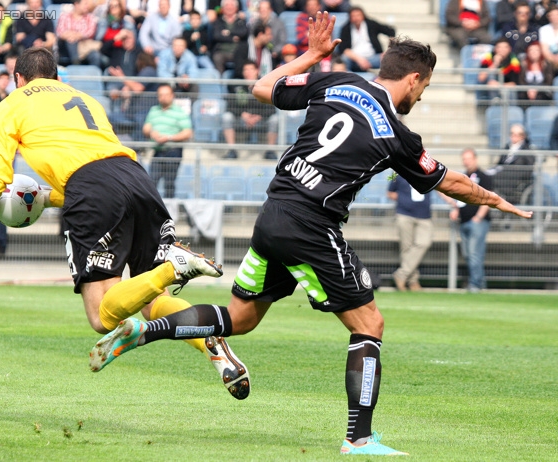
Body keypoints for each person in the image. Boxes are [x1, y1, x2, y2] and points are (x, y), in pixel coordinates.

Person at [88, 12, 531, 456]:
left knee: (239, 319)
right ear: (414, 79)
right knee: (369, 325)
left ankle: (146, 331)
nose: (421, 93)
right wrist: (493, 199)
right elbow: (449, 182)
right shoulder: (397, 134)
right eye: (426, 86)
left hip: (273, 213)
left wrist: (313, 55)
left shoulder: (338, 81)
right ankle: (358, 438)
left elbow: (263, 87)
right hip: (312, 226)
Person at [0, 47, 251, 400]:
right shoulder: (85, 98)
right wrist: (47, 198)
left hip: (92, 189)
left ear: (18, 79)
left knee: (101, 315)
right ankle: (214, 347)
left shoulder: (11, 104)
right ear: (57, 77)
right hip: (137, 178)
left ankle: (173, 267)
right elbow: (96, 163)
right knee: (154, 304)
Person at [448, 149, 494, 293]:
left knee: (474, 253)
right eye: (464, 159)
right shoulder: (463, 177)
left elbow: (489, 199)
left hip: (477, 221)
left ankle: (475, 284)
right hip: (464, 221)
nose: (466, 161)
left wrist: (478, 217)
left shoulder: (484, 177)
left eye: (469, 158)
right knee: (469, 255)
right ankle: (480, 283)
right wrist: (455, 208)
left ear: (475, 159)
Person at [142, 84, 192, 198]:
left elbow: (187, 133)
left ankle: (169, 212)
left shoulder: (179, 112)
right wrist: (151, 133)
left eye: (166, 94)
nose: (163, 97)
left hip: (173, 151)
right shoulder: (154, 110)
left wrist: (169, 138)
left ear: (172, 96)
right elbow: (146, 128)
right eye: (160, 95)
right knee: (151, 182)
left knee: (169, 183)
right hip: (158, 150)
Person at [222, 60, 278, 160]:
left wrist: (259, 116)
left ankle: (270, 151)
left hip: (261, 119)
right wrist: (243, 114)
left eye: (251, 69)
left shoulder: (265, 85)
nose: (248, 72)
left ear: (257, 71)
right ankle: (231, 150)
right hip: (241, 119)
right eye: (245, 70)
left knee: (275, 119)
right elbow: (229, 104)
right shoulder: (236, 85)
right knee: (226, 117)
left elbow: (272, 107)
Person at [387, 174, 433, 292]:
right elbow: (390, 192)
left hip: (424, 215)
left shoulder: (428, 171)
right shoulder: (396, 173)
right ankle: (412, 281)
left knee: (424, 243)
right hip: (404, 214)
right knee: (406, 248)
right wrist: (403, 198)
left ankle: (401, 275)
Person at [337, 6, 396, 73]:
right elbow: (344, 49)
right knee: (344, 59)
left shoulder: (371, 24)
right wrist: (360, 60)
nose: (356, 18)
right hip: (354, 59)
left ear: (363, 16)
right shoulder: (346, 29)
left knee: (389, 58)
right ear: (350, 17)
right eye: (353, 16)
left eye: (358, 15)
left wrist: (390, 49)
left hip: (372, 58)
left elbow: (390, 31)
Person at [489, 123, 535, 204]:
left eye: (517, 135)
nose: (514, 136)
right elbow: (500, 162)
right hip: (503, 174)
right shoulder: (507, 147)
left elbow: (529, 167)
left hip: (515, 178)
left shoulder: (527, 149)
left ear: (523, 136)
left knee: (493, 178)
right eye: (512, 134)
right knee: (485, 175)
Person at [56, 0, 101, 67]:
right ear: (77, 4)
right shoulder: (64, 16)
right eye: (85, 4)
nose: (87, 6)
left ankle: (94, 76)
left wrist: (75, 35)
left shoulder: (90, 17)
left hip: (84, 47)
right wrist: (73, 36)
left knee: (95, 56)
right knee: (71, 41)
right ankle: (76, 65)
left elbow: (90, 32)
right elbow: (60, 32)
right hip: (65, 47)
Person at [210, 0, 249, 74]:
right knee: (217, 57)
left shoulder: (241, 21)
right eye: (227, 5)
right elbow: (217, 35)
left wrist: (228, 32)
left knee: (241, 56)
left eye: (232, 5)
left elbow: (243, 33)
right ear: (223, 8)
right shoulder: (218, 21)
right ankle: (219, 81)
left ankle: (238, 79)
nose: (229, 7)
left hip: (237, 51)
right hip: (222, 51)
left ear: (236, 8)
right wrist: (232, 38)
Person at [516, 40, 554, 107]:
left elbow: (548, 82)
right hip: (526, 94)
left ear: (540, 52)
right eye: (531, 50)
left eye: (536, 50)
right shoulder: (523, 65)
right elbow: (521, 81)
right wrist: (528, 89)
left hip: (542, 93)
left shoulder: (547, 65)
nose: (533, 52)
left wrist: (537, 90)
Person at [538, 5, 558, 71]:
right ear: (548, 16)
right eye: (552, 15)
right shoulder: (543, 30)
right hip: (549, 61)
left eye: (556, 14)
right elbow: (545, 50)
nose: (555, 17)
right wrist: (554, 59)